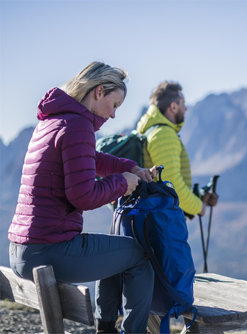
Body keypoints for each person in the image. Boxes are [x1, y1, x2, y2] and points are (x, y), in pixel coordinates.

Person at [8, 61, 157, 334]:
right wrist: (121, 184)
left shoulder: (53, 121)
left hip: (21, 250)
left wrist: (129, 167)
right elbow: (83, 197)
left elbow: (91, 158)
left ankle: (107, 327)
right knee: (140, 255)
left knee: (114, 252)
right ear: (99, 91)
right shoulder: (78, 126)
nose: (113, 115)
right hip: (49, 251)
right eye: (115, 105)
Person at [136, 81, 218, 218]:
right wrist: (199, 207)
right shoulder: (163, 134)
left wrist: (198, 197)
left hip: (153, 216)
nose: (185, 109)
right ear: (173, 107)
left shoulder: (152, 131)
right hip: (161, 221)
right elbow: (172, 185)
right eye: (183, 104)